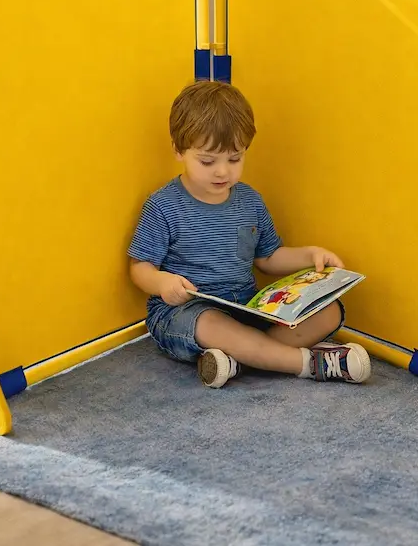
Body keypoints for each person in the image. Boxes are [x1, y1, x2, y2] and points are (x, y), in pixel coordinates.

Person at [128, 80, 371, 389]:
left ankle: (239, 360)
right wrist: (162, 282)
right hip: (185, 314)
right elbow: (139, 267)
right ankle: (307, 363)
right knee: (212, 324)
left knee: (331, 312)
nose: (222, 172)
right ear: (178, 150)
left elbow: (268, 257)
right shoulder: (163, 205)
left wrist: (310, 255)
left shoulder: (250, 200)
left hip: (246, 306)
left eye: (235, 159)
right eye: (207, 161)